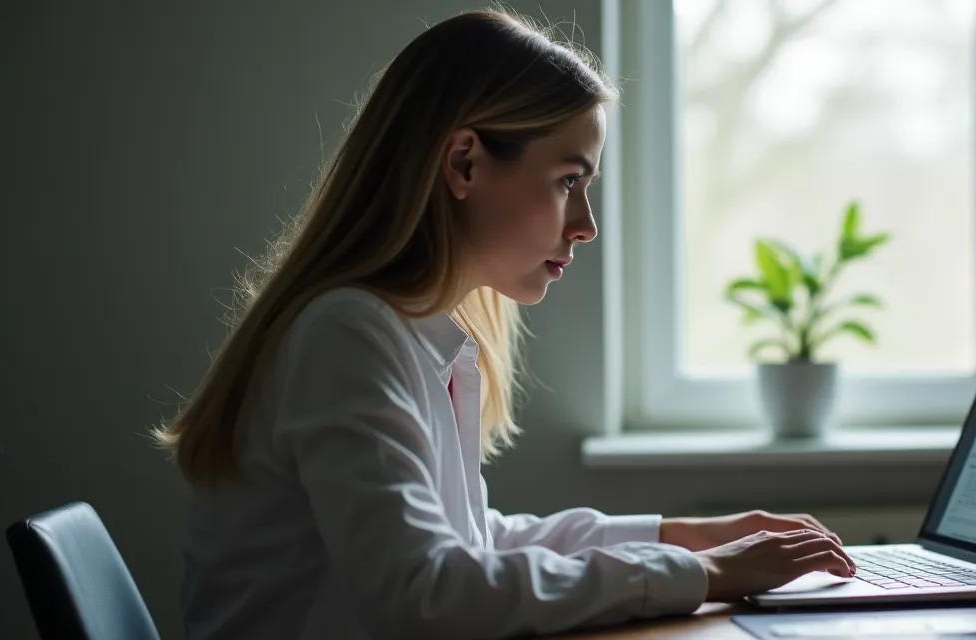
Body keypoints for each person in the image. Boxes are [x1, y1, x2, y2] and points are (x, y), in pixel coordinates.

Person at [153, 9, 856, 640]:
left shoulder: (406, 332)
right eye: (569, 181)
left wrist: (682, 537)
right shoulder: (348, 335)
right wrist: (705, 574)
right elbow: (427, 590)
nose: (586, 225)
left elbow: (474, 543)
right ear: (464, 163)